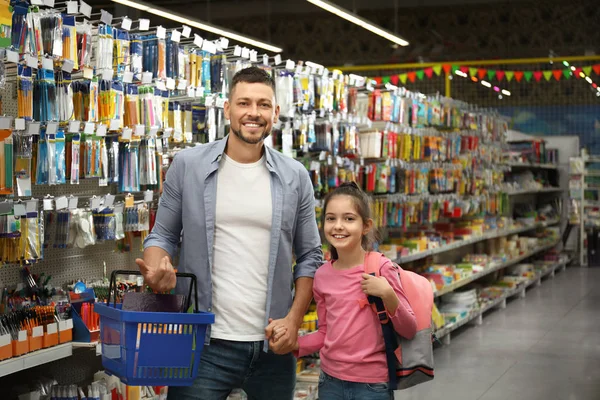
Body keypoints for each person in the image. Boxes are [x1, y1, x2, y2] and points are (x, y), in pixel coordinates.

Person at [137, 66, 323, 400]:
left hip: (273, 346)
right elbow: (162, 235)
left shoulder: (295, 176)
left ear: (276, 113)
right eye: (244, 103)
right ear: (227, 109)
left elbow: (311, 255)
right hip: (202, 343)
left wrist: (294, 321)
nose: (254, 113)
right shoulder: (188, 165)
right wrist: (156, 270)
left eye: (264, 105)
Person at [270, 182, 417, 400]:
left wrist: (388, 294)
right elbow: (325, 333)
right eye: (331, 218)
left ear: (366, 226)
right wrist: (292, 343)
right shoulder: (321, 276)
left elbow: (410, 329)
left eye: (349, 219)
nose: (338, 226)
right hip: (330, 382)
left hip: (373, 385)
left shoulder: (381, 268)